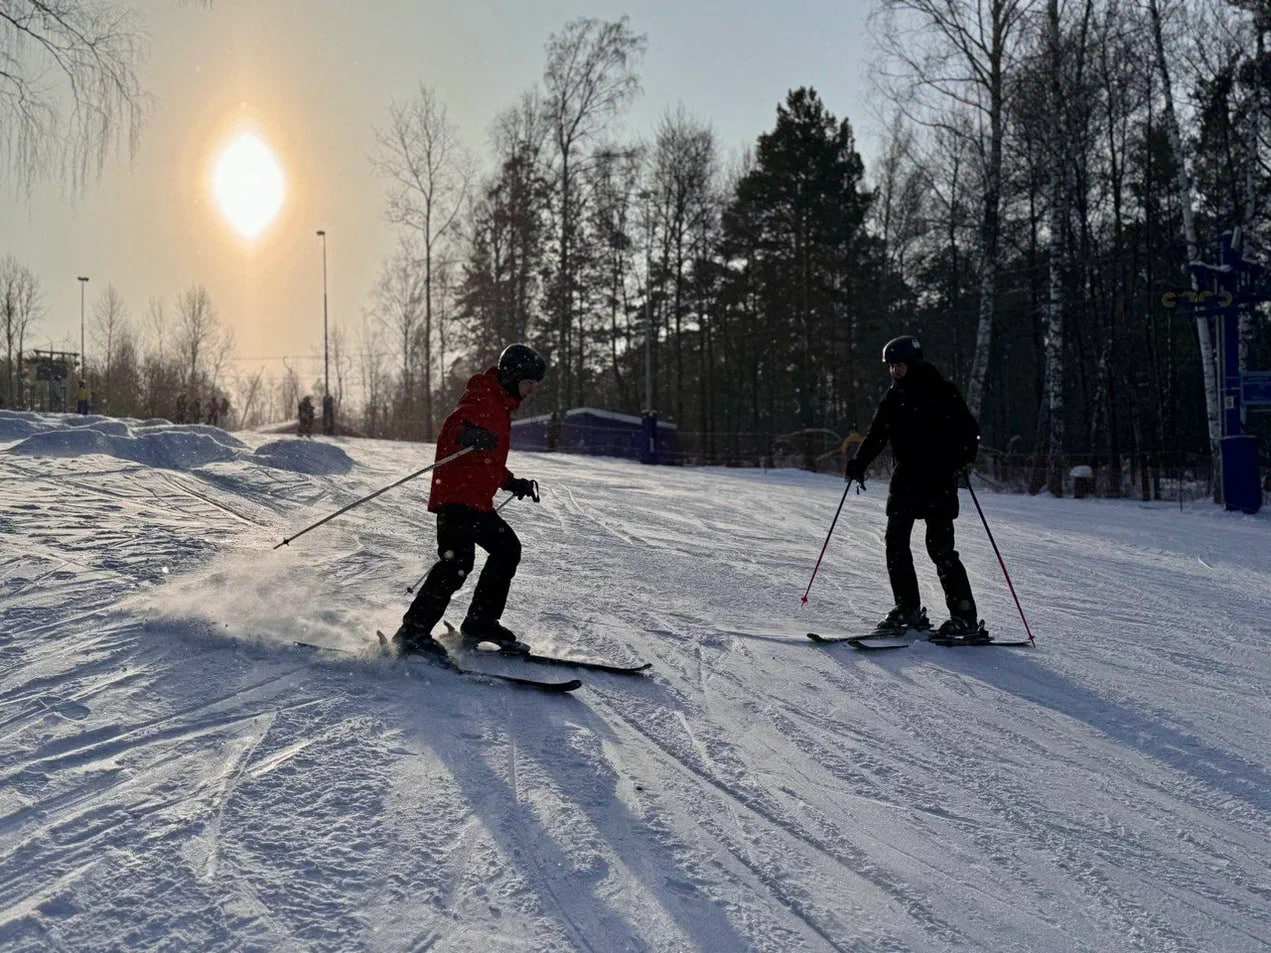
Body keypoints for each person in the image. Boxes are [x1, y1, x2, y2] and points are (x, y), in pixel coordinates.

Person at [392, 343, 546, 658]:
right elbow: (452, 429)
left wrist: (510, 481)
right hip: (456, 497)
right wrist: (466, 436)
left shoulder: (502, 407)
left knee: (507, 549)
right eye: (528, 382)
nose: (531, 390)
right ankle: (413, 633)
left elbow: (487, 460)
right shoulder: (483, 397)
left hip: (476, 501)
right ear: (513, 375)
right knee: (457, 563)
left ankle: (480, 622)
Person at [844, 335, 984, 639]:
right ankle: (907, 608)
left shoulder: (942, 392)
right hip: (905, 480)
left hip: (938, 481)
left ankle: (964, 618)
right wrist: (860, 463)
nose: (894, 372)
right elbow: (877, 433)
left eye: (900, 366)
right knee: (895, 543)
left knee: (941, 549)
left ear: (914, 364)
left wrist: (958, 458)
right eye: (891, 367)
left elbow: (970, 432)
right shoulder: (894, 397)